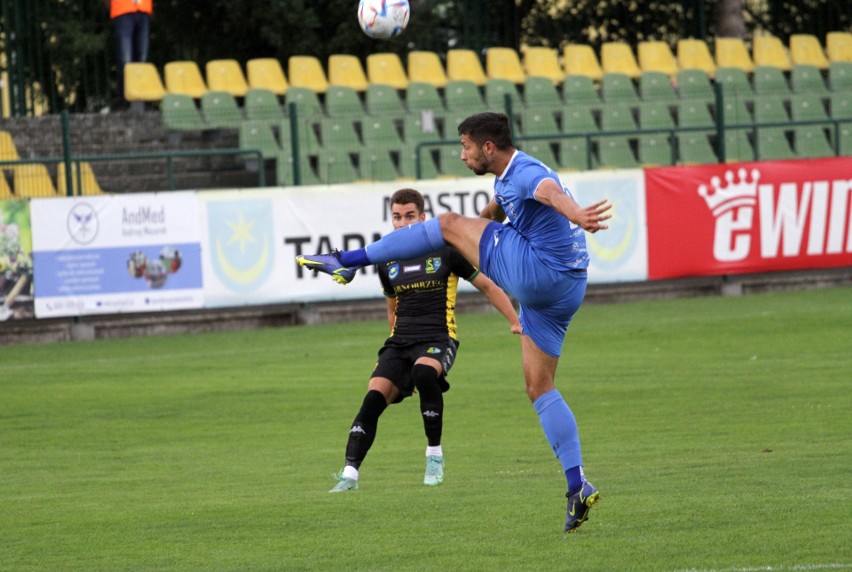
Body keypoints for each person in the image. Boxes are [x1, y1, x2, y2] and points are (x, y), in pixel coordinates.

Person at [297, 112, 612, 532]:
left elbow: (550, 192)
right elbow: (496, 212)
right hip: (568, 288)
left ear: (487, 147)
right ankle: (577, 486)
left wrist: (576, 214)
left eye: (465, 147)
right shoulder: (506, 179)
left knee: (445, 224)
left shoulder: (526, 172)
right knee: (540, 386)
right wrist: (477, 225)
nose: (461, 156)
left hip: (541, 272)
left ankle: (346, 260)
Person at [328, 188, 521, 493]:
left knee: (423, 373)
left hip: (438, 337)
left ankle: (434, 456)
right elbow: (392, 308)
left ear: (422, 218)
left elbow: (486, 285)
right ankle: (349, 474)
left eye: (409, 216)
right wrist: (392, 351)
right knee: (373, 397)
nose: (402, 223)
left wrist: (514, 320)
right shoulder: (386, 258)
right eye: (396, 217)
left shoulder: (447, 249)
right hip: (400, 342)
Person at [107, 0, 153, 107]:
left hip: (143, 9)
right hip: (122, 10)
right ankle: (124, 102)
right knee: (125, 61)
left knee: (142, 60)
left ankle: (140, 101)